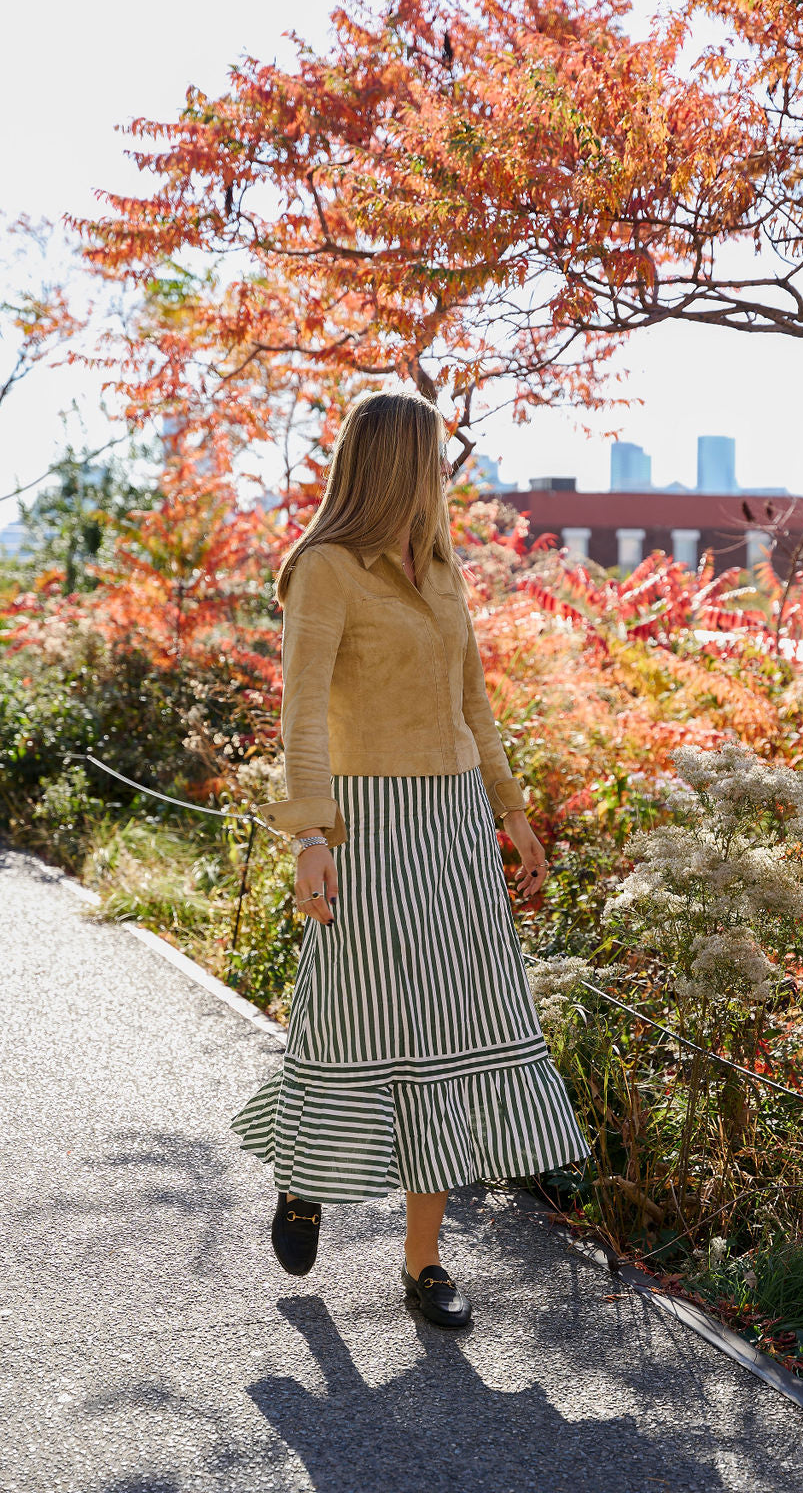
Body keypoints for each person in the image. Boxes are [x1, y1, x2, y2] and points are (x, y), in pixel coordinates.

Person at [231, 388, 591, 1328]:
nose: (443, 473)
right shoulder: (325, 569)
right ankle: (303, 1180)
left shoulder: (442, 571)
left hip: (455, 822)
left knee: (453, 1030)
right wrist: (309, 836)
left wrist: (512, 814)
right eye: (433, 456)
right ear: (394, 461)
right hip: (366, 823)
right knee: (348, 1011)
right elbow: (301, 709)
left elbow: (476, 706)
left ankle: (423, 1263)